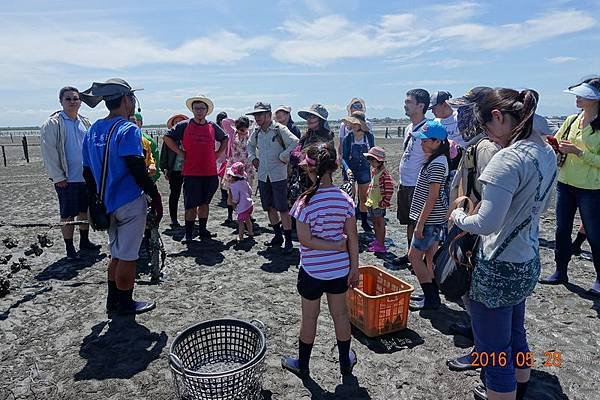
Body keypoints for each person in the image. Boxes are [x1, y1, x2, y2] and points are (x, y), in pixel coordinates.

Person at [450, 88, 557, 400]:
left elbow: (486, 223)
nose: (488, 137)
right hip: (528, 258)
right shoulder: (546, 151)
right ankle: (519, 389)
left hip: (499, 264)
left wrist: (458, 215)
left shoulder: (507, 159)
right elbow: (545, 205)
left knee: (495, 352)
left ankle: (503, 392)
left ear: (499, 117)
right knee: (515, 333)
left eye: (487, 128)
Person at [80, 78, 162, 315]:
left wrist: (95, 200)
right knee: (128, 256)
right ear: (126, 100)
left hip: (106, 202)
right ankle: (125, 304)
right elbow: (136, 166)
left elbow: (87, 172)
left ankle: (112, 300)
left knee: (115, 252)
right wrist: (154, 195)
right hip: (128, 201)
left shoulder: (93, 129)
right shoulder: (128, 129)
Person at [281, 143, 359, 378]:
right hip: (339, 270)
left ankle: (303, 365)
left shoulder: (305, 202)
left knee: (309, 318)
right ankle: (345, 362)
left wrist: (332, 245)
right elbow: (353, 237)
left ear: (309, 169)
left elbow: (305, 240)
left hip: (313, 271)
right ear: (333, 167)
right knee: (341, 316)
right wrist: (355, 267)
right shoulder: (344, 199)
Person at [539, 78, 600, 296]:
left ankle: (599, 280)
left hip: (591, 188)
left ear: (595, 99)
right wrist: (552, 144)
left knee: (595, 235)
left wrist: (578, 152)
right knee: (562, 230)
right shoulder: (573, 120)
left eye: (582, 94)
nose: (577, 97)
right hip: (565, 183)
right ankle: (560, 271)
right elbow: (555, 140)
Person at [40, 86, 101, 259]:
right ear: (61, 101)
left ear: (80, 101)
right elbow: (49, 151)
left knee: (85, 211)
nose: (73, 102)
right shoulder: (53, 123)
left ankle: (84, 241)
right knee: (67, 214)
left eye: (75, 98)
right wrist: (58, 176)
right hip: (66, 178)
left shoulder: (85, 122)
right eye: (68, 99)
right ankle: (69, 247)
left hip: (86, 177)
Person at [163, 94, 229, 243]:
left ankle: (203, 230)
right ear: (192, 110)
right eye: (196, 108)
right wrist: (180, 152)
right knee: (191, 205)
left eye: (202, 108)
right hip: (191, 172)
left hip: (210, 172)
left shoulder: (212, 126)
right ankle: (188, 233)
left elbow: (225, 138)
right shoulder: (184, 125)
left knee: (205, 203)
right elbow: (167, 137)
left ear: (207, 110)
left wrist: (218, 153)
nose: (199, 111)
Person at [406, 120, 450, 311]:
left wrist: (420, 224)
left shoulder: (437, 164)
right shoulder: (438, 160)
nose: (422, 144)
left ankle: (431, 298)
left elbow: (431, 197)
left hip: (430, 220)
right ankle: (430, 295)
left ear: (437, 142)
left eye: (425, 141)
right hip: (434, 219)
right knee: (429, 258)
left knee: (414, 257)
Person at [247, 102, 299, 254]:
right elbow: (250, 146)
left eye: (260, 114)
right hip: (263, 175)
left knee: (283, 208)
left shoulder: (279, 129)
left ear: (269, 115)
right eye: (255, 115)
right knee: (269, 207)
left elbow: (295, 142)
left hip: (279, 175)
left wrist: (283, 156)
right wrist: (252, 158)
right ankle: (277, 236)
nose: (257, 118)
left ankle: (288, 240)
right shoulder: (256, 132)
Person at [394, 89, 431, 266]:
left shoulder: (428, 128)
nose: (405, 105)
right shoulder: (409, 128)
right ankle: (411, 255)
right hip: (405, 183)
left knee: (419, 223)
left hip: (418, 184)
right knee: (409, 221)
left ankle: (419, 259)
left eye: (409, 102)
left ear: (421, 106)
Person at [341, 111, 375, 233]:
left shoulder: (369, 137)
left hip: (365, 168)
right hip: (350, 168)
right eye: (352, 123)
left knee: (364, 196)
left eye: (356, 123)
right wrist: (347, 169)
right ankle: (350, 221)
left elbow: (372, 154)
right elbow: (343, 157)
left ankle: (364, 221)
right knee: (350, 197)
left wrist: (374, 167)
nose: (354, 126)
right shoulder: (347, 138)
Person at [159, 113, 189, 228]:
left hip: (189, 170)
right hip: (175, 170)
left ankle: (190, 217)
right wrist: (165, 169)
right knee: (174, 194)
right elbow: (164, 156)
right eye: (176, 122)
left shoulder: (189, 137)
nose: (179, 124)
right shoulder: (169, 138)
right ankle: (174, 218)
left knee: (189, 194)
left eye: (181, 122)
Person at [363, 147, 394, 253]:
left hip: (379, 203)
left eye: (372, 160)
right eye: (369, 159)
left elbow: (389, 189)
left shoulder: (384, 174)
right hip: (372, 202)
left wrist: (385, 201)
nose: (370, 162)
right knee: (375, 222)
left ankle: (381, 244)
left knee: (380, 223)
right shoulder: (374, 171)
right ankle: (377, 240)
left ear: (379, 161)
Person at [337, 97, 373, 166]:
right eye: (355, 106)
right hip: (349, 154)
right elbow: (341, 143)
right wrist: (340, 156)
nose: (357, 108)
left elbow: (371, 143)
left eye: (360, 106)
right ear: (350, 108)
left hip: (364, 157)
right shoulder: (344, 125)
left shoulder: (367, 124)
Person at [227, 161, 255, 243]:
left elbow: (236, 198)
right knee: (248, 219)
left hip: (242, 206)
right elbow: (250, 191)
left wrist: (234, 203)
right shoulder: (245, 182)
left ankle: (241, 237)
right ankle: (250, 232)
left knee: (240, 222)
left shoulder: (234, 186)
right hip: (249, 204)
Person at [131, 113, 160, 182]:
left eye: (137, 120)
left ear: (141, 123)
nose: (134, 123)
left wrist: (154, 176)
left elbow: (155, 159)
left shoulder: (148, 140)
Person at [216, 111, 230, 207]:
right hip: (219, 157)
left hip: (227, 157)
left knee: (226, 178)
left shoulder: (229, 130)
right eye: (221, 119)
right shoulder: (216, 130)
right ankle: (223, 197)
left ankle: (226, 196)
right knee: (222, 177)